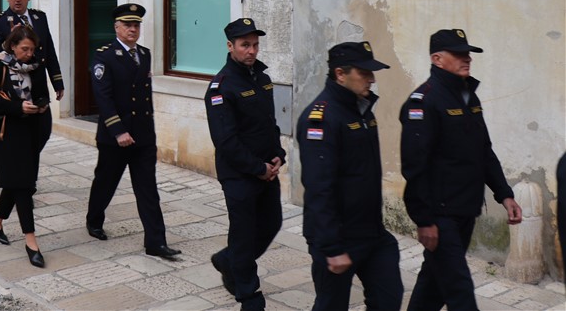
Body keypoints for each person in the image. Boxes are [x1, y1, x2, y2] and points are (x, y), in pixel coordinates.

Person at [400, 29, 521, 311]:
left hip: (466, 208)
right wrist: (424, 219)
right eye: (458, 54)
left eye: (467, 53)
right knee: (460, 291)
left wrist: (505, 194)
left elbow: (484, 151)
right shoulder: (423, 102)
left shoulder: (468, 98)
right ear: (437, 59)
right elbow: (415, 167)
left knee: (433, 286)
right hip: (440, 213)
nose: (467, 58)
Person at [297, 41, 402, 311]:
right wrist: (332, 247)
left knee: (388, 298)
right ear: (340, 74)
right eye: (364, 72)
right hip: (337, 236)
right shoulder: (321, 118)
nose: (372, 79)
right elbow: (319, 187)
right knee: (331, 305)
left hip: (371, 231)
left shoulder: (362, 110)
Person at [85, 3, 181, 260]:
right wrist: (118, 131)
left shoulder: (145, 54)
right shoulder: (104, 56)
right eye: (127, 25)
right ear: (116, 27)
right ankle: (94, 219)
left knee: (148, 189)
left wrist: (148, 132)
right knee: (105, 182)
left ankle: (156, 242)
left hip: (143, 136)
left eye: (136, 25)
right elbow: (103, 97)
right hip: (115, 137)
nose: (132, 29)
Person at [204, 17, 285, 311]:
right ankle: (250, 297)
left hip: (266, 170)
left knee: (272, 223)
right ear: (230, 46)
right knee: (244, 233)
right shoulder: (221, 87)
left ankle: (228, 261)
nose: (251, 51)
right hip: (239, 175)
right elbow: (226, 141)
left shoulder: (262, 79)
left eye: (255, 45)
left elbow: (269, 125)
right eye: (245, 45)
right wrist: (258, 169)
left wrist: (278, 155)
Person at [0, 24, 52, 268]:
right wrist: (17, 107)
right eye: (24, 49)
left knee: (17, 182)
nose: (29, 54)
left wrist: (40, 105)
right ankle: (31, 241)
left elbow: (43, 94)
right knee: (24, 186)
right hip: (7, 133)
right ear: (12, 46)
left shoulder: (37, 66)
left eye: (32, 49)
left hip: (32, 131)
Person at [0, 0, 65, 101]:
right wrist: (10, 39)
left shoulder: (39, 17)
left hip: (39, 82)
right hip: (16, 83)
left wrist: (57, 81)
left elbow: (49, 51)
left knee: (43, 112)